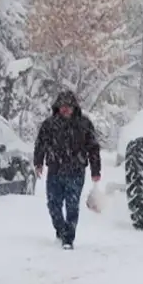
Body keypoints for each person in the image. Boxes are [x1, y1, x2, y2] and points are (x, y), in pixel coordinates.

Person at [33, 89, 101, 249]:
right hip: (55, 170)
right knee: (53, 204)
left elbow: (93, 148)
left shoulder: (84, 124)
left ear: (74, 107)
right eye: (62, 106)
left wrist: (95, 170)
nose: (65, 109)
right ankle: (60, 229)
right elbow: (40, 144)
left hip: (76, 170)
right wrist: (38, 162)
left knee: (72, 204)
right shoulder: (49, 125)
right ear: (57, 107)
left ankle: (68, 238)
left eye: (68, 106)